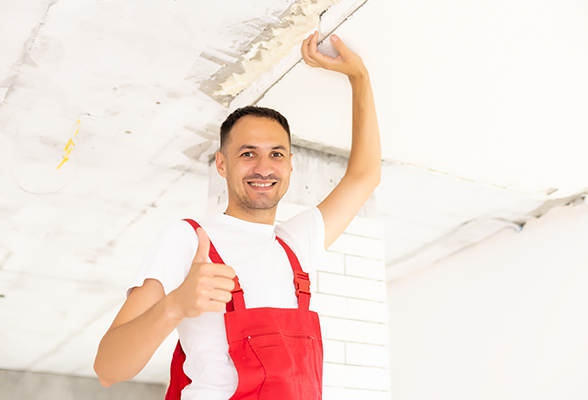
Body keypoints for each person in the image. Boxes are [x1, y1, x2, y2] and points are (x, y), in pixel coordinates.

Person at [94, 31, 381, 399]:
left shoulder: (295, 246)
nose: (264, 167)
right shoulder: (190, 240)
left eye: (276, 154)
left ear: (291, 165)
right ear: (222, 164)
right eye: (248, 153)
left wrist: (359, 78)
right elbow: (107, 368)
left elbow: (365, 175)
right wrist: (176, 305)